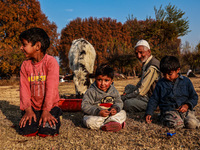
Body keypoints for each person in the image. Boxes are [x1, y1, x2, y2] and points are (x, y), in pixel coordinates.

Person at [19, 27, 62, 137]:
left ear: (37, 46)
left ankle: (55, 116)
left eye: (24, 45)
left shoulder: (51, 62)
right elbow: (24, 89)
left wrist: (47, 110)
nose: (21, 48)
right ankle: (35, 118)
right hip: (32, 108)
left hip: (50, 107)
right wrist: (28, 109)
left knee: (46, 132)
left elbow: (51, 88)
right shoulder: (25, 65)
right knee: (27, 131)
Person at [145, 56, 200, 129]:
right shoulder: (160, 83)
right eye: (164, 74)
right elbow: (154, 99)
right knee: (177, 124)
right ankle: (164, 118)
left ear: (178, 70)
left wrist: (187, 105)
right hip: (169, 111)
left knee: (193, 124)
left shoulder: (186, 81)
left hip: (186, 111)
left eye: (170, 74)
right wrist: (149, 112)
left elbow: (194, 97)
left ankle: (184, 120)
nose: (167, 77)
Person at [81, 64, 126, 132]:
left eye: (106, 80)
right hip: (97, 116)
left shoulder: (114, 91)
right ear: (95, 79)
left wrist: (115, 109)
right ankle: (109, 125)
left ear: (111, 81)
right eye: (99, 80)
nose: (102, 83)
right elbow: (85, 106)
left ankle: (112, 122)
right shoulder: (91, 91)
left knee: (123, 113)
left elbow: (119, 102)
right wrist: (98, 112)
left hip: (111, 115)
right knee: (88, 121)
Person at [122, 39, 160, 112]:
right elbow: (140, 84)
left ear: (149, 51)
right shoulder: (146, 63)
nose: (139, 56)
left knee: (127, 103)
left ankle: (155, 107)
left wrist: (125, 97)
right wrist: (128, 94)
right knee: (129, 87)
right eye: (136, 53)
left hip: (152, 99)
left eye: (141, 52)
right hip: (146, 93)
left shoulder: (152, 67)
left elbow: (141, 91)